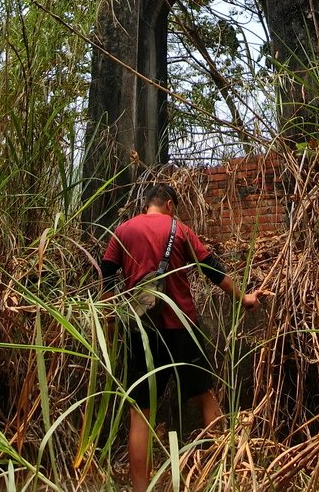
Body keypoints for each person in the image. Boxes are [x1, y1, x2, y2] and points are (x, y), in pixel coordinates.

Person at [100, 182, 259, 492]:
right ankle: (224, 478)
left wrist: (109, 327)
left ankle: (141, 489)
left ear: (147, 204)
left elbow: (107, 278)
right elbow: (213, 270)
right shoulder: (180, 229)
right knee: (206, 399)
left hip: (141, 332)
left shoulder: (123, 231)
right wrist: (245, 299)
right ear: (170, 205)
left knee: (141, 415)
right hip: (182, 328)